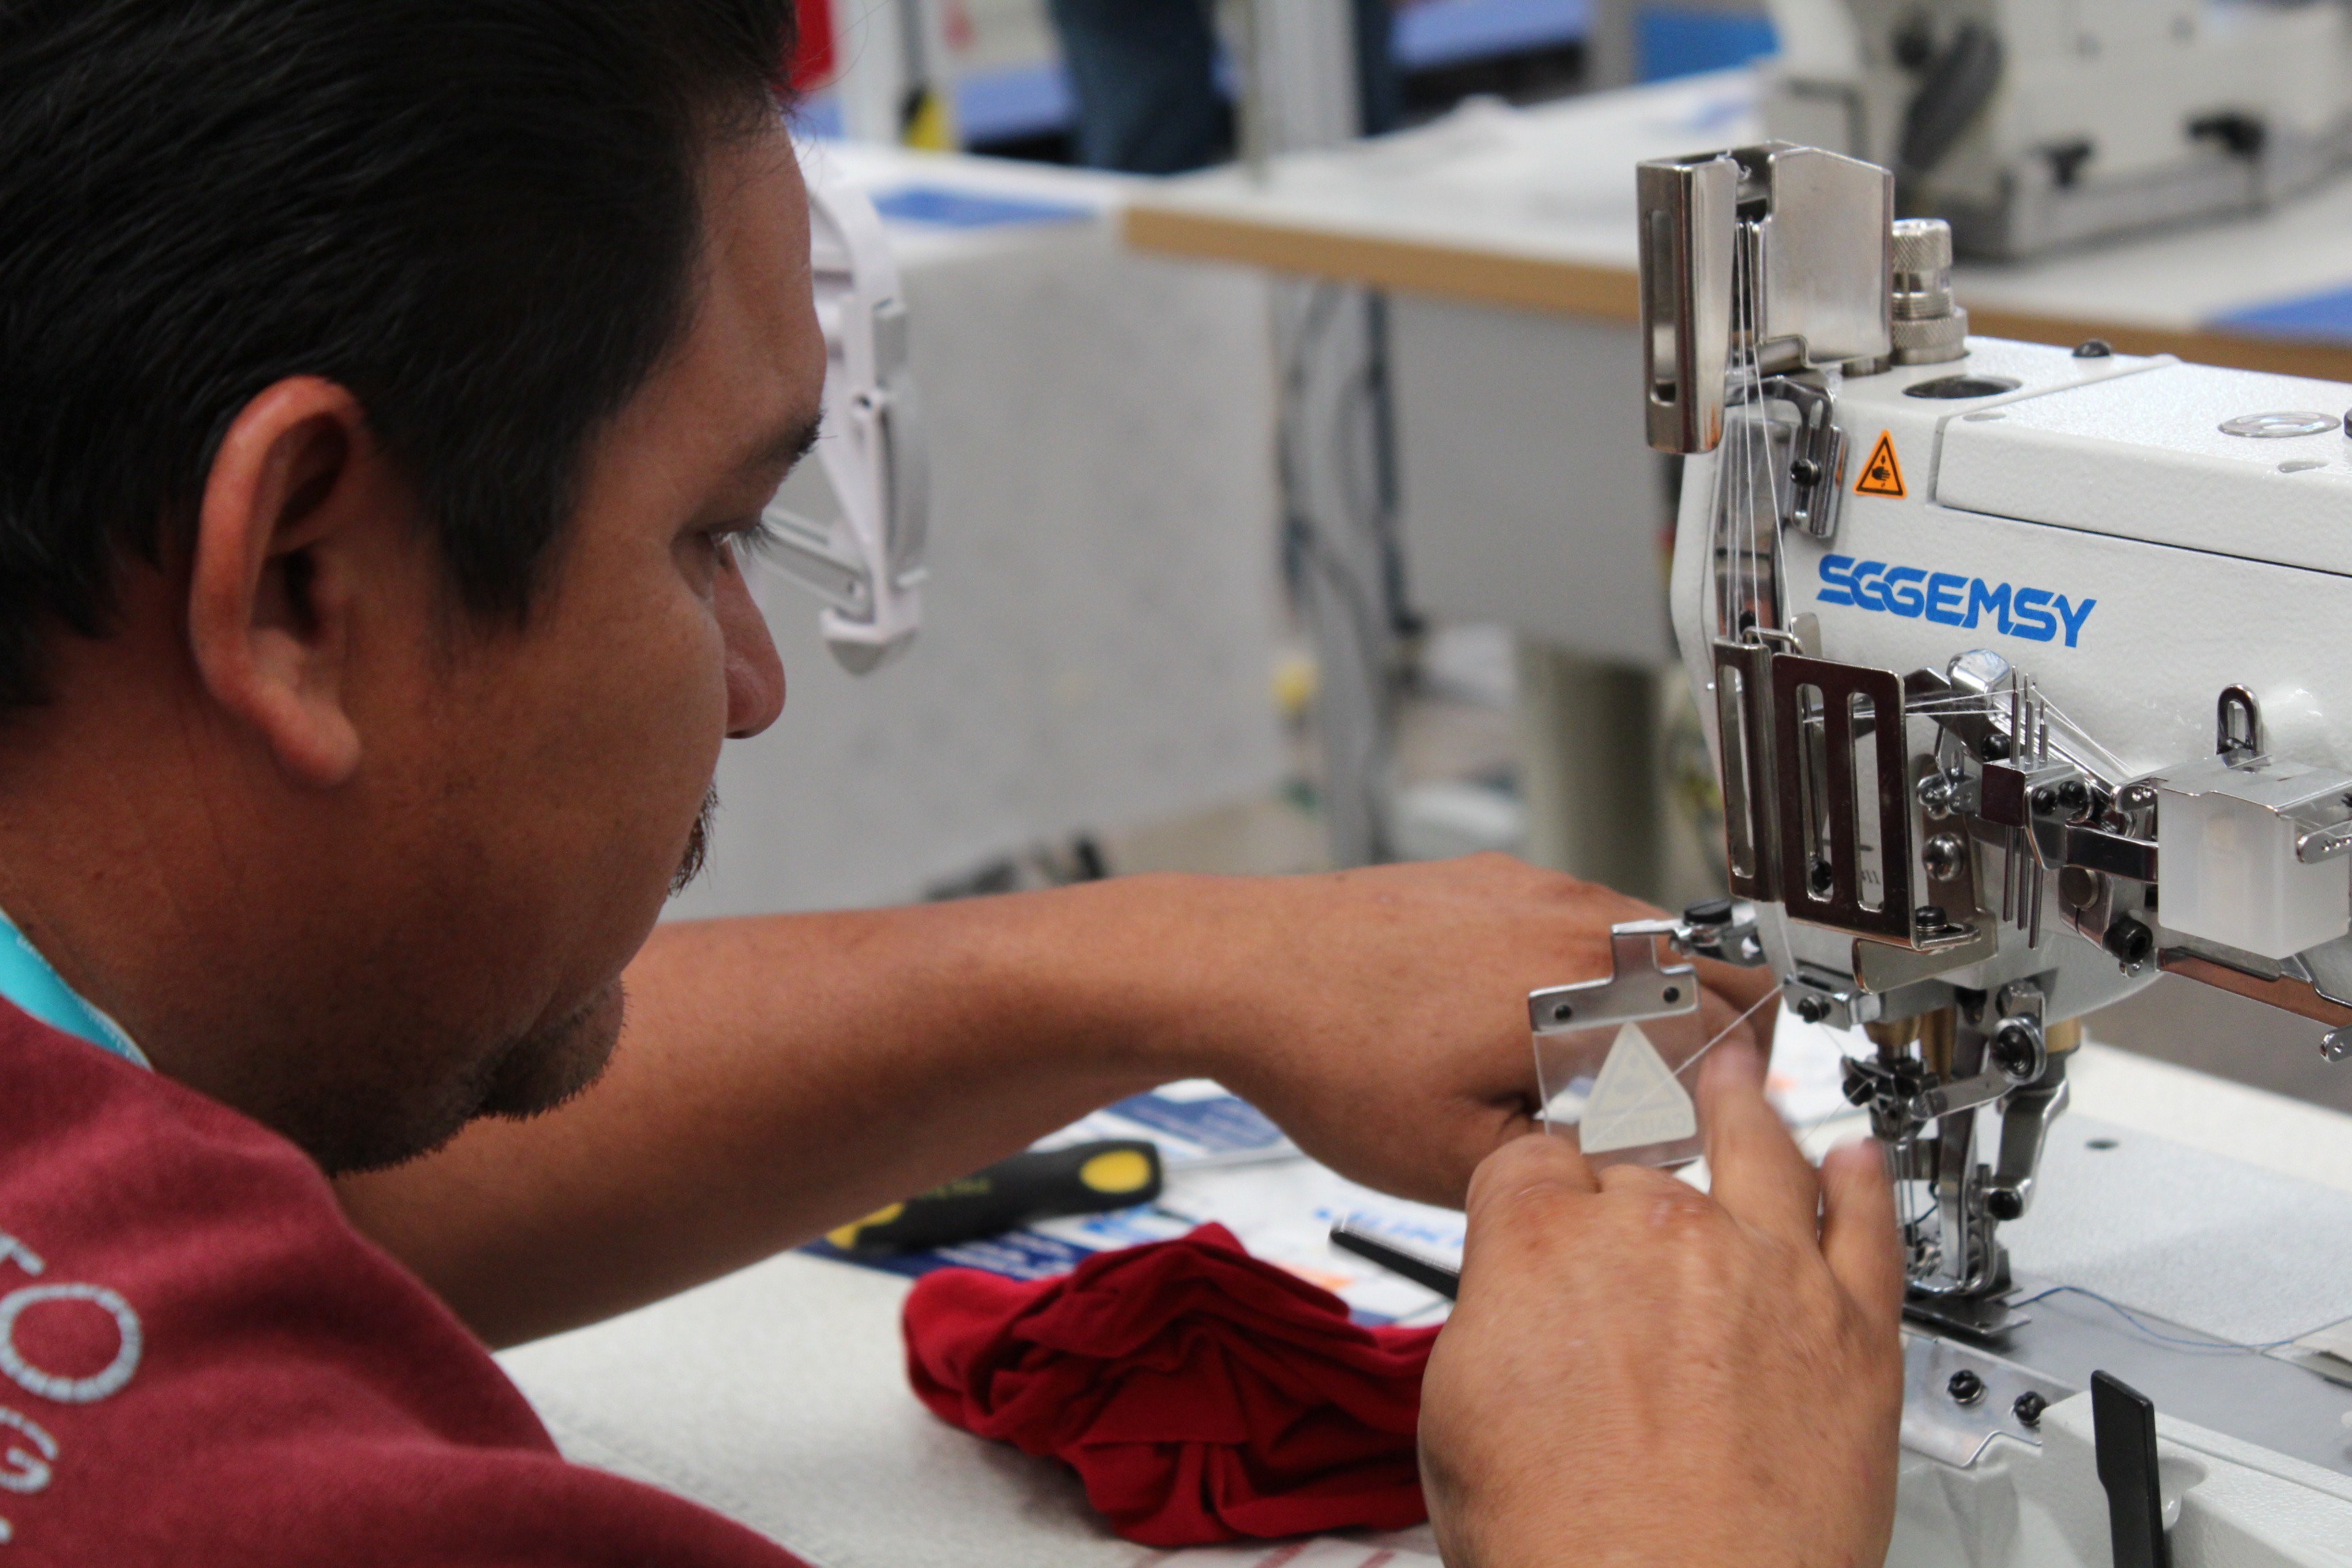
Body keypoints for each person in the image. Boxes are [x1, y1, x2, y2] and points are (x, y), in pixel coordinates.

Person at [0, 1, 1903, 1563]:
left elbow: (298, 1186)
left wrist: (1164, 971)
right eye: (710, 539)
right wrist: (1671, 1523)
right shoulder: (231, 1504)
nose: (752, 688)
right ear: (302, 589)